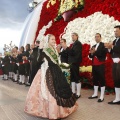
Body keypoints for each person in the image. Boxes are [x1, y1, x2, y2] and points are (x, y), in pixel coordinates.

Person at [24, 34, 78, 120]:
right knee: (50, 91)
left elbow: (57, 61)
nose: (54, 41)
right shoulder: (45, 50)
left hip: (56, 71)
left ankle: (60, 110)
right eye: (52, 39)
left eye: (54, 39)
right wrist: (40, 50)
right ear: (48, 40)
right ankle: (51, 111)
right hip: (47, 71)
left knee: (60, 90)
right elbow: (38, 61)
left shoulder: (54, 49)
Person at [88, 33, 108, 102]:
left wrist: (95, 52)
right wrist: (91, 53)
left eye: (98, 37)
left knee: (101, 80)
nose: (96, 38)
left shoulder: (103, 45)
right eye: (95, 37)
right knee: (95, 80)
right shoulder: (93, 46)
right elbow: (90, 56)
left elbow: (102, 53)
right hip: (94, 65)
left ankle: (102, 96)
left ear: (100, 38)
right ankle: (95, 94)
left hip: (100, 65)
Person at [105, 25, 120, 104]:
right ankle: (117, 99)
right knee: (116, 81)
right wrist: (109, 48)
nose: (115, 32)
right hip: (115, 63)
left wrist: (112, 46)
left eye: (116, 31)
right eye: (114, 31)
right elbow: (112, 52)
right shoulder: (115, 40)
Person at [68, 33, 82, 99]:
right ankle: (73, 92)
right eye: (72, 35)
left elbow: (74, 53)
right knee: (73, 78)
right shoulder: (74, 44)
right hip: (72, 63)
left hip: (75, 63)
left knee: (76, 78)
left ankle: (78, 93)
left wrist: (66, 48)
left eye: (73, 35)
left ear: (77, 36)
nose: (72, 37)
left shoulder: (78, 43)